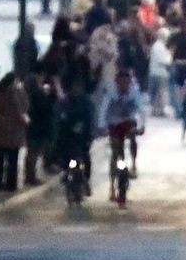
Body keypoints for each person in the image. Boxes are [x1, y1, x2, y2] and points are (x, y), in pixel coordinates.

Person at [97, 71, 147, 205]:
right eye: (121, 82)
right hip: (114, 123)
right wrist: (102, 126)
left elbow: (141, 110)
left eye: (126, 82)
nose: (124, 85)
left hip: (128, 121)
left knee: (133, 135)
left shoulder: (134, 93)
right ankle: (112, 187)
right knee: (115, 152)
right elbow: (104, 109)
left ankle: (134, 164)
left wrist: (142, 126)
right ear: (117, 82)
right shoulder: (111, 93)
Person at [0, 72, 29, 192]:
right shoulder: (16, 91)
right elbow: (22, 107)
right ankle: (11, 184)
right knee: (12, 160)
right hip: (12, 130)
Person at [53, 77, 96, 196]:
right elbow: (58, 120)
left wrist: (89, 135)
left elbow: (90, 120)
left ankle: (86, 180)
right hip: (66, 138)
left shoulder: (86, 102)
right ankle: (65, 172)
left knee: (85, 156)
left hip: (81, 137)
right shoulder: (63, 103)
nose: (75, 90)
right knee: (63, 156)